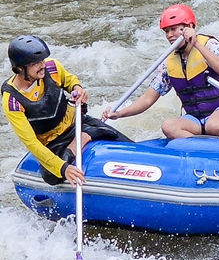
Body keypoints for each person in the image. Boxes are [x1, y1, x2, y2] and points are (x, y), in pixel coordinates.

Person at [2, 35, 130, 186]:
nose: (42, 65)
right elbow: (31, 143)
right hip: (54, 142)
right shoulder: (12, 101)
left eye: (42, 60)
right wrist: (64, 168)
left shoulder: (52, 67)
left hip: (77, 122)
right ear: (19, 68)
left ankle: (84, 136)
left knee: (126, 143)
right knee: (52, 176)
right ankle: (81, 140)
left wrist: (78, 89)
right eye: (35, 63)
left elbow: (70, 81)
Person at [103, 4, 219, 138]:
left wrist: (196, 44)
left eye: (174, 29)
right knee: (169, 126)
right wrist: (120, 113)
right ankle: (201, 147)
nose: (169, 35)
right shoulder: (168, 63)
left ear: (190, 27)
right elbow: (147, 99)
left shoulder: (209, 45)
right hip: (196, 119)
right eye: (166, 31)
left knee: (215, 125)